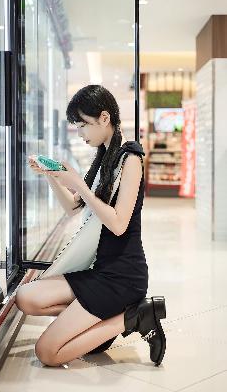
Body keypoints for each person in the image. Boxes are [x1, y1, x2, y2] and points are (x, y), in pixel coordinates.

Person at [15, 85, 166, 367]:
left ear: (104, 118)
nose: (80, 133)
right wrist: (52, 176)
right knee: (25, 297)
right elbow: (72, 208)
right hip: (98, 271)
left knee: (47, 352)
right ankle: (96, 322)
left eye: (83, 125)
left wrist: (81, 186)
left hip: (122, 276)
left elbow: (119, 224)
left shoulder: (130, 159)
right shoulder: (102, 160)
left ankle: (133, 317)